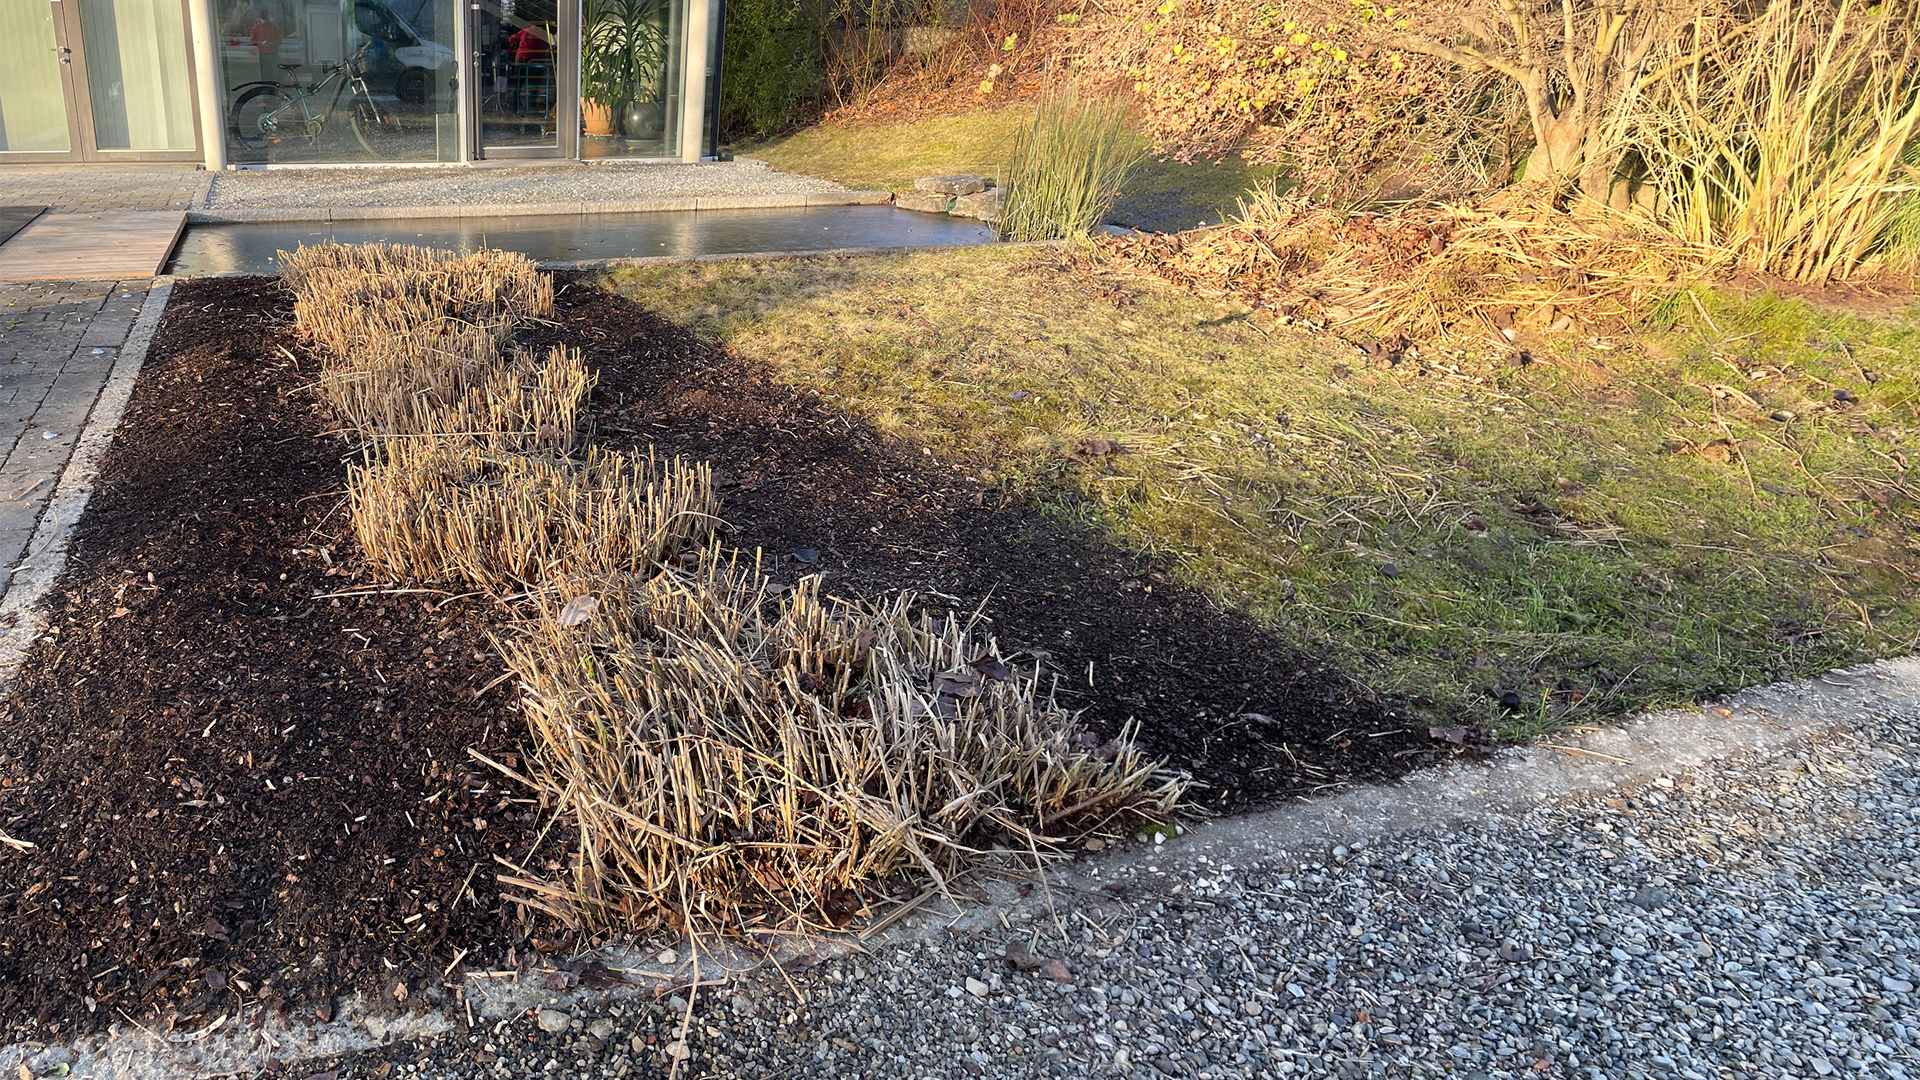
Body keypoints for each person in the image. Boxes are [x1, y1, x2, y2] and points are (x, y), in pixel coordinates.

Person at [249, 8, 283, 83]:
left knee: (275, 72)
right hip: (262, 54)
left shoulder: (273, 27)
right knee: (264, 72)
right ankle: (265, 86)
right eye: (263, 19)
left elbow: (279, 40)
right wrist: (261, 43)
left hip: (273, 53)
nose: (265, 21)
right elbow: (252, 41)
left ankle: (274, 85)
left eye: (266, 19)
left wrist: (272, 43)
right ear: (260, 19)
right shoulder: (255, 28)